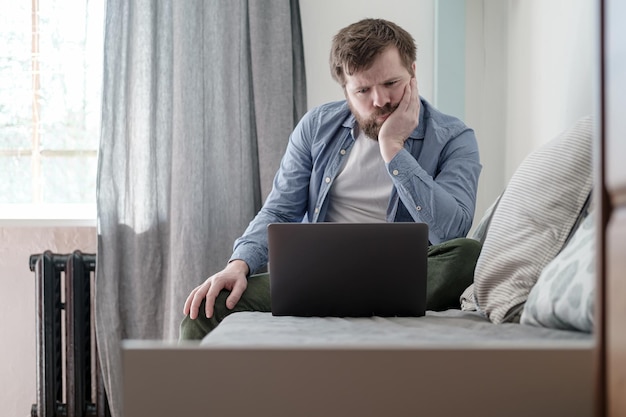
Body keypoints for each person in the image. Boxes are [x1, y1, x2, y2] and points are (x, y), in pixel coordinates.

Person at [180, 18, 482, 340]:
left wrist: (393, 149)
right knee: (208, 309)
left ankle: (363, 301)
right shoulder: (316, 127)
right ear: (346, 91)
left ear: (413, 73)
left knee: (466, 253)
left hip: (402, 279)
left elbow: (451, 232)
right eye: (363, 90)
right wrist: (238, 264)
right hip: (320, 278)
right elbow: (280, 211)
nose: (380, 101)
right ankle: (360, 302)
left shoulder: (454, 137)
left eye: (392, 83)